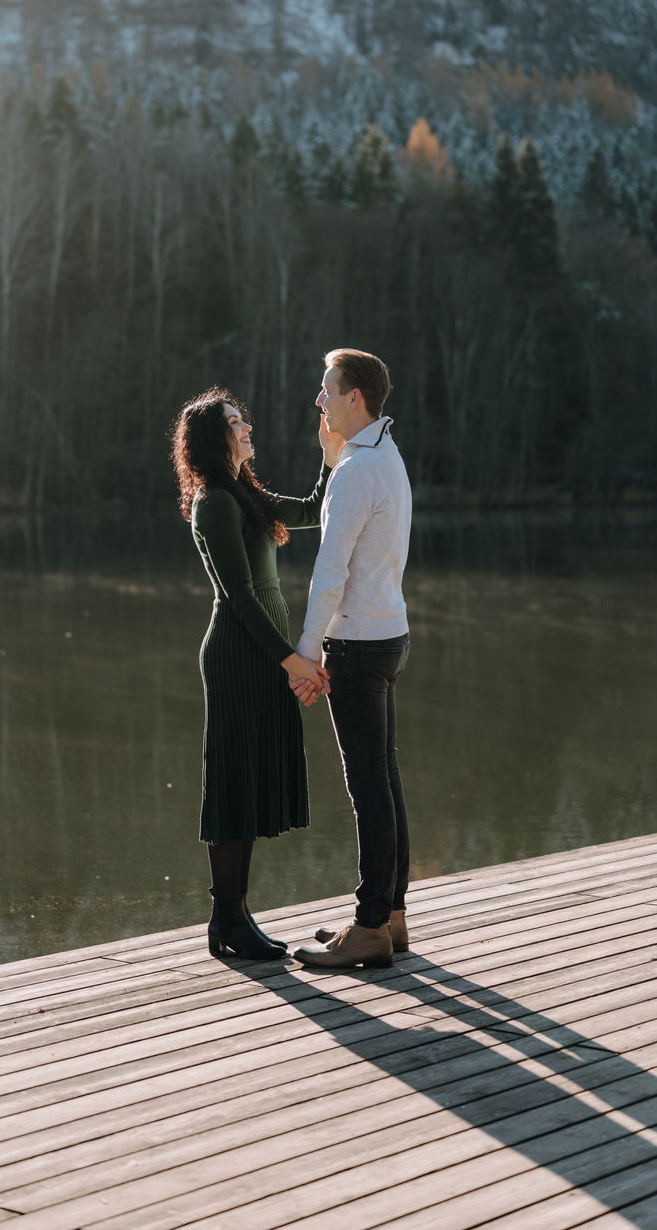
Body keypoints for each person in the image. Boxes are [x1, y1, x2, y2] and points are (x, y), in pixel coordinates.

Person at [170, 388, 337, 959]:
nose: (247, 428)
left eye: (244, 420)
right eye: (235, 422)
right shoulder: (215, 501)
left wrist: (329, 456)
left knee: (247, 780)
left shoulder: (247, 494)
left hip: (263, 653)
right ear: (213, 439)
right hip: (238, 655)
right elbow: (239, 596)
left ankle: (236, 916)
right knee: (233, 782)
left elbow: (314, 510)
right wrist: (293, 660)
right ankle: (226, 919)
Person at [289, 349, 413, 970]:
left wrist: (306, 652)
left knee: (368, 786)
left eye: (327, 390)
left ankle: (368, 927)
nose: (320, 400)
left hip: (358, 645)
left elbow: (330, 572)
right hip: (389, 635)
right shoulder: (383, 456)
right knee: (384, 778)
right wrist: (331, 459)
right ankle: (390, 916)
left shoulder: (357, 471)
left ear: (354, 397)